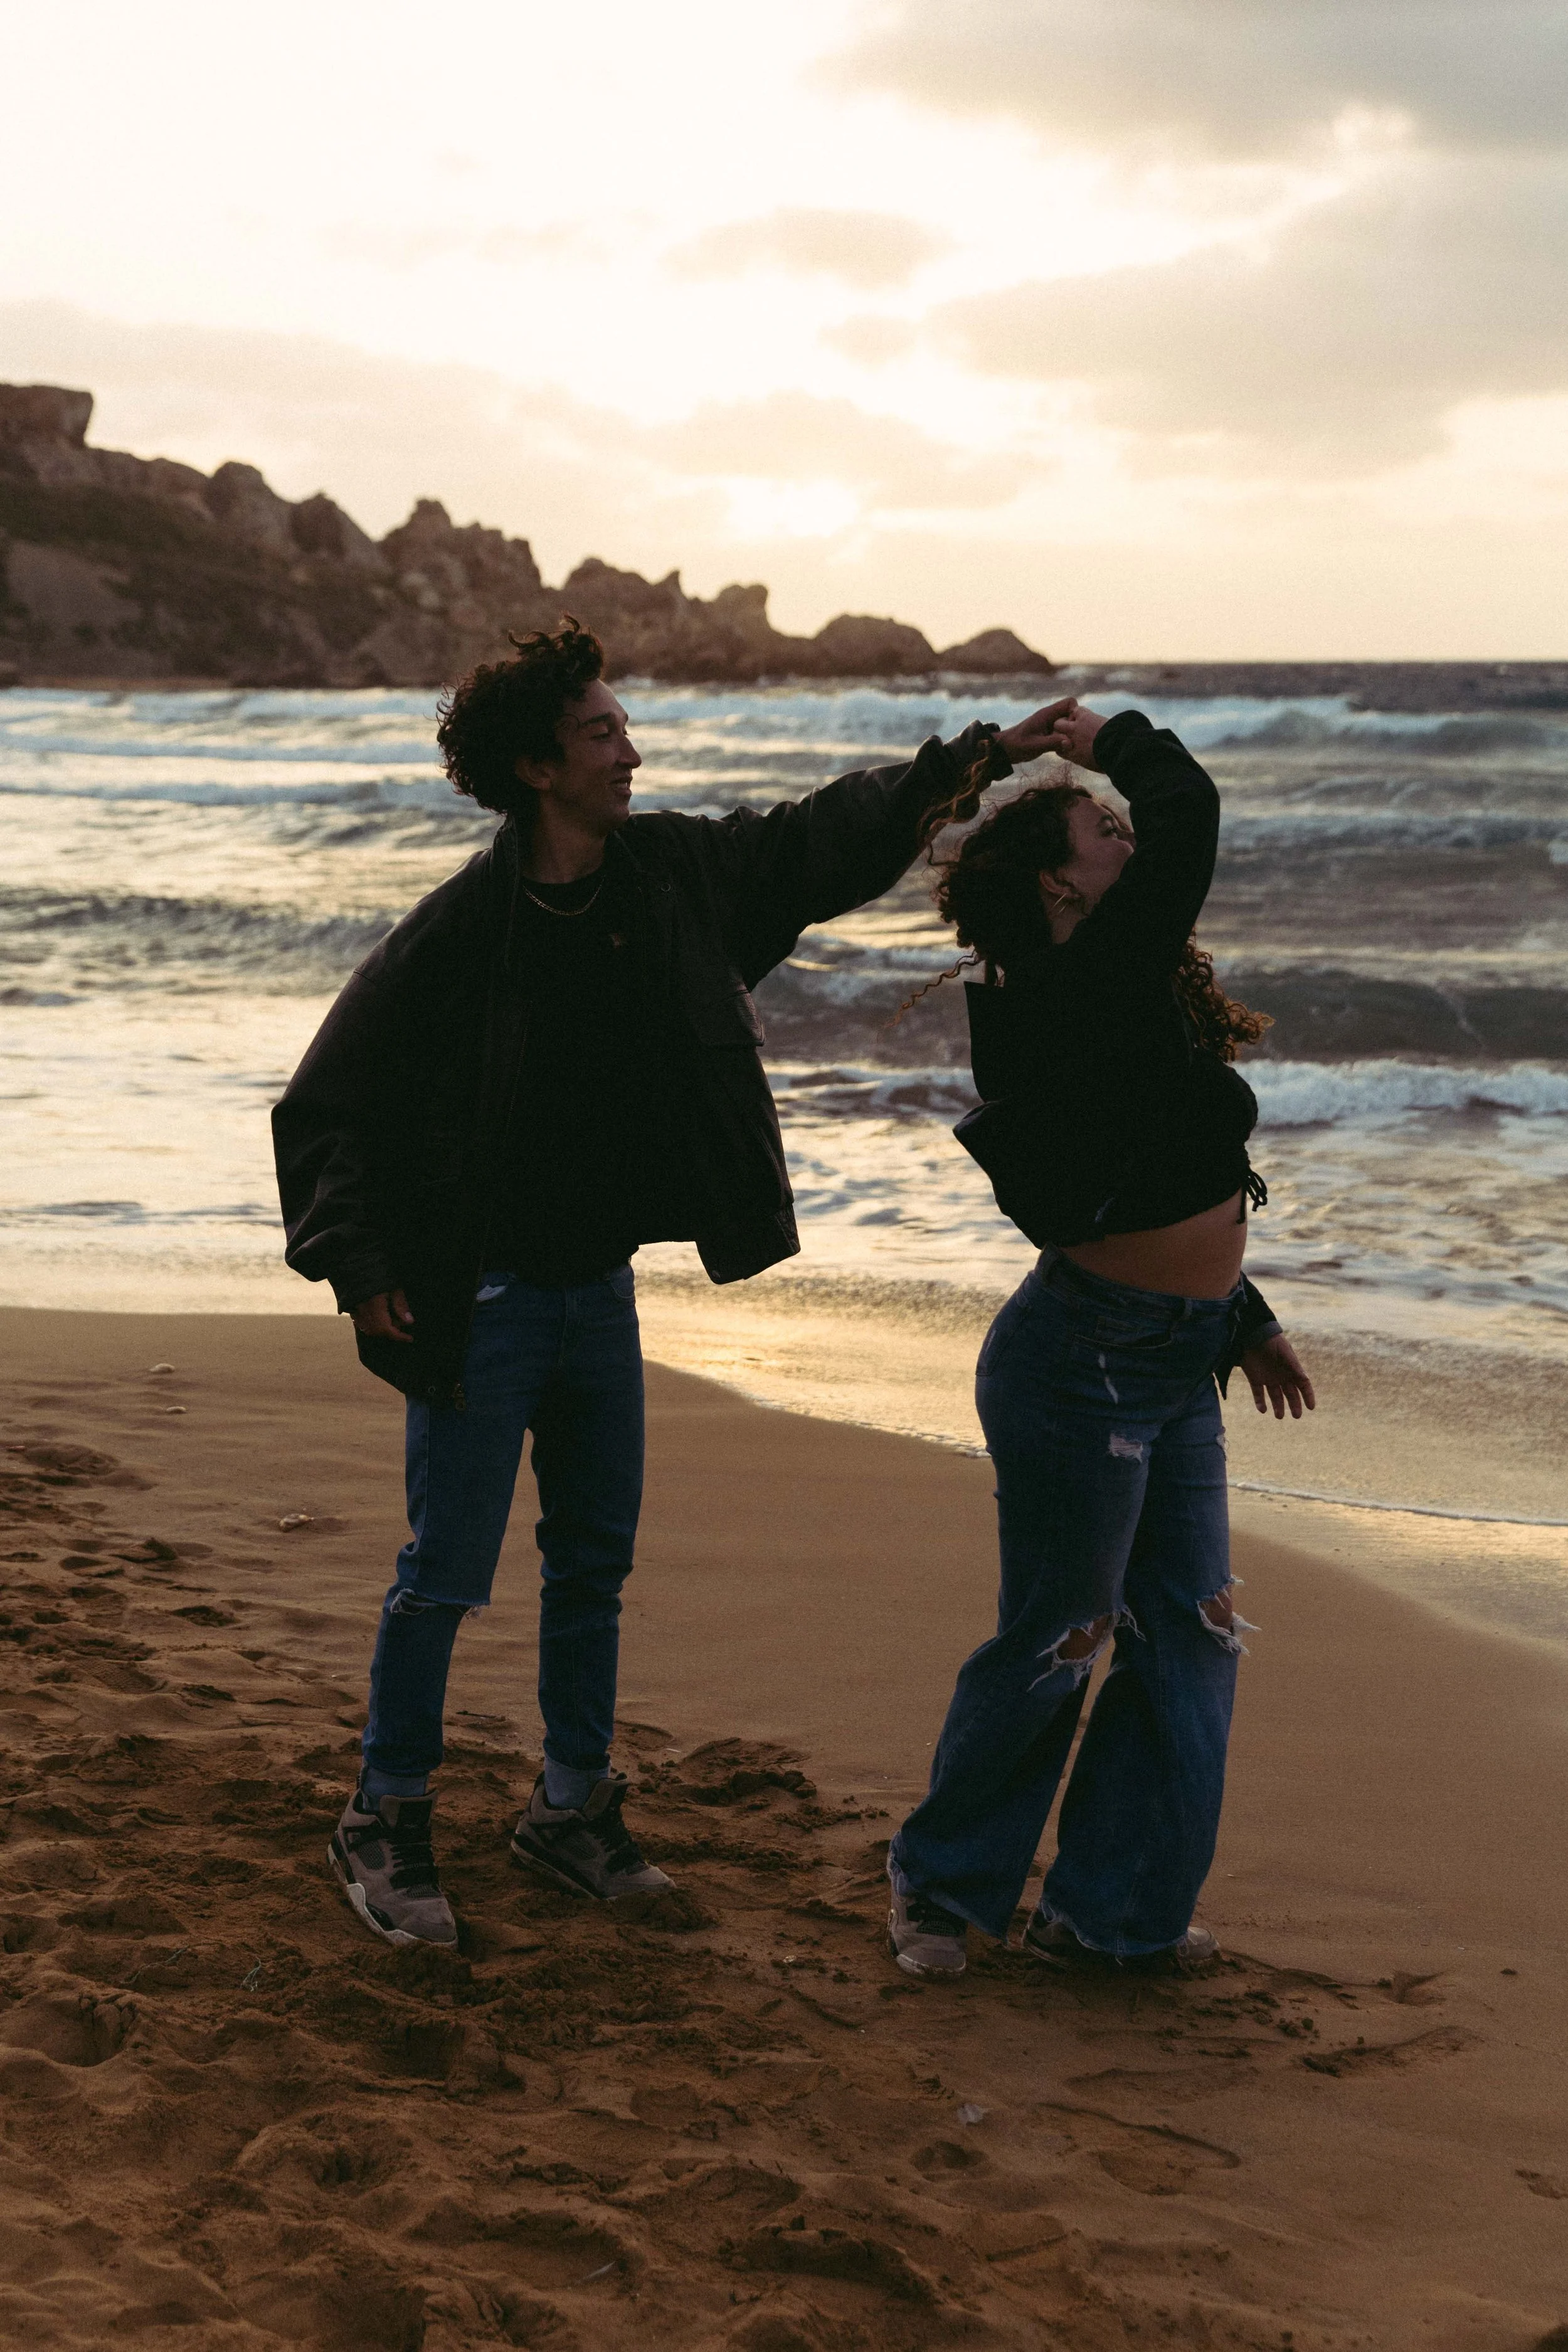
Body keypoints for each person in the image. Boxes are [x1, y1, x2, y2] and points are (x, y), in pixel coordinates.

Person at [273, 615, 1074, 1948]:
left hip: (595, 1293)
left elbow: (826, 835)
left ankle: (570, 1810)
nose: (629, 751)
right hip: (478, 1300)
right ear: (539, 766)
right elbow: (327, 1100)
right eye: (601, 732)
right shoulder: (464, 930)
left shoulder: (672, 876)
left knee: (591, 1568)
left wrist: (979, 758)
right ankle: (384, 1812)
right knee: (443, 1578)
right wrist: (357, 1270)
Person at [886, 699, 1315, 1980]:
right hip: (1081, 1367)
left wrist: (1238, 1319)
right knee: (1056, 1638)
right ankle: (942, 1894)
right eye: (1100, 829)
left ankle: (1108, 1912)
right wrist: (1109, 734)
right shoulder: (1072, 983)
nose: (1126, 841)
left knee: (1191, 1631)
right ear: (1058, 885)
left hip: (1169, 1358)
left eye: (1115, 824)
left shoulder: (1108, 992)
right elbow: (1192, 816)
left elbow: (1150, 1173)